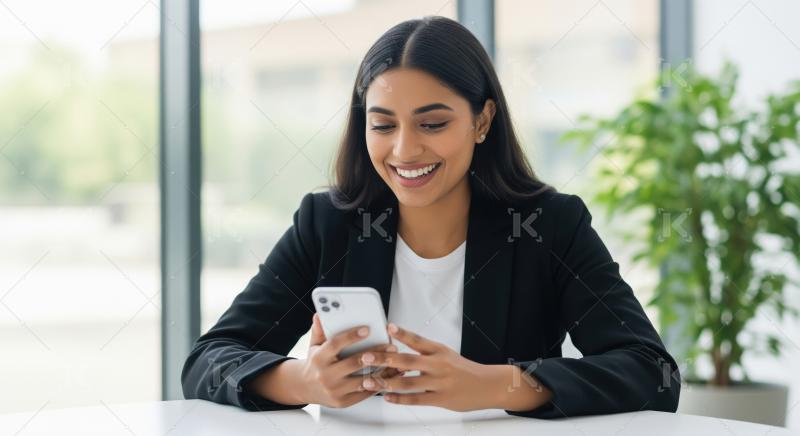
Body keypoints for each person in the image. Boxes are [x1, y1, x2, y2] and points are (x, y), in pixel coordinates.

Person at [181, 16, 681, 418]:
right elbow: (208, 360)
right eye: (383, 125)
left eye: (433, 123)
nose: (404, 150)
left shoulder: (549, 225)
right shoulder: (327, 223)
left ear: (482, 120)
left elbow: (651, 373)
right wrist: (303, 381)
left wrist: (493, 385)